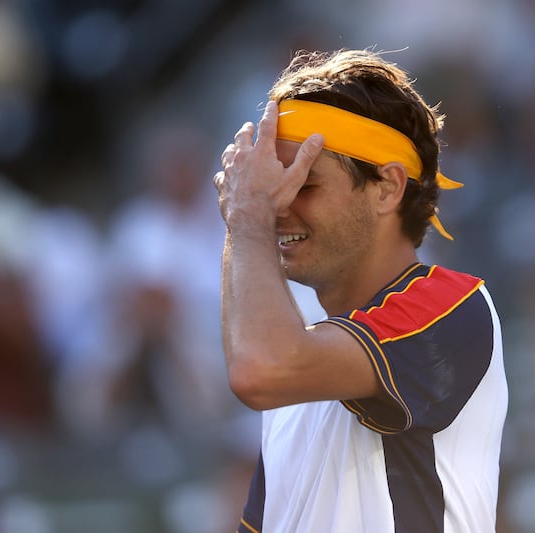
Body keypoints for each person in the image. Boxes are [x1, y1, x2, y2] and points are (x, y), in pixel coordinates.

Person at [213, 48, 507, 533]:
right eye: (270, 185)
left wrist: (247, 214)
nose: (277, 206)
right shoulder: (299, 356)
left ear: (388, 187)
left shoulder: (450, 304)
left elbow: (259, 370)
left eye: (303, 183)